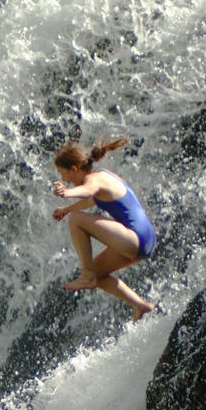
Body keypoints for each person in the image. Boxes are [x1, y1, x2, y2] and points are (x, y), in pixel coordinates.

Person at [52, 136, 156, 320]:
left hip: (135, 237)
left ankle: (86, 276)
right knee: (98, 275)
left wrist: (67, 193)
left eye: (64, 176)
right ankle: (141, 305)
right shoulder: (105, 175)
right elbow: (92, 199)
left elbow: (89, 191)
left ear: (74, 169)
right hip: (144, 240)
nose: (65, 180)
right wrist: (67, 209)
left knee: (76, 221)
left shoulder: (94, 179)